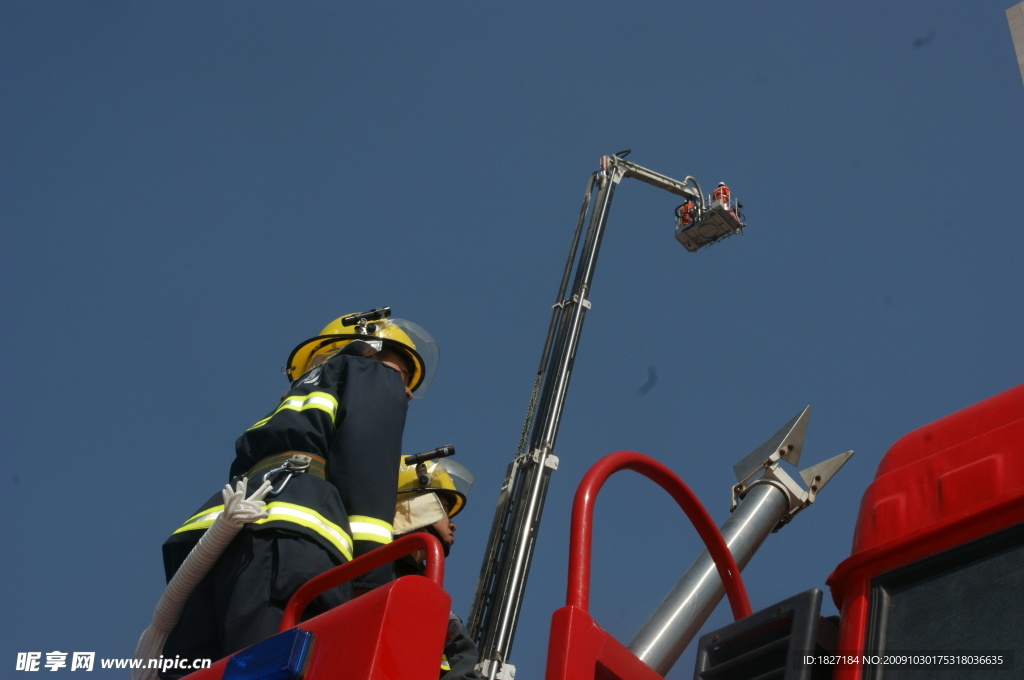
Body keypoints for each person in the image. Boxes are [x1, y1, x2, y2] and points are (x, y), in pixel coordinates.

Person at [159, 308, 439, 667]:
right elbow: (367, 468)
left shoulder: (298, 398)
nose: (407, 393)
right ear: (369, 350)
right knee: (271, 665)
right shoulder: (368, 373)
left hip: (218, 542)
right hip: (289, 547)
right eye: (402, 374)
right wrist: (369, 578)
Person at [392, 455, 481, 680]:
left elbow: (462, 656)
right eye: (444, 508)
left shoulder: (428, 592)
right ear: (414, 503)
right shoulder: (371, 568)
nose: (453, 524)